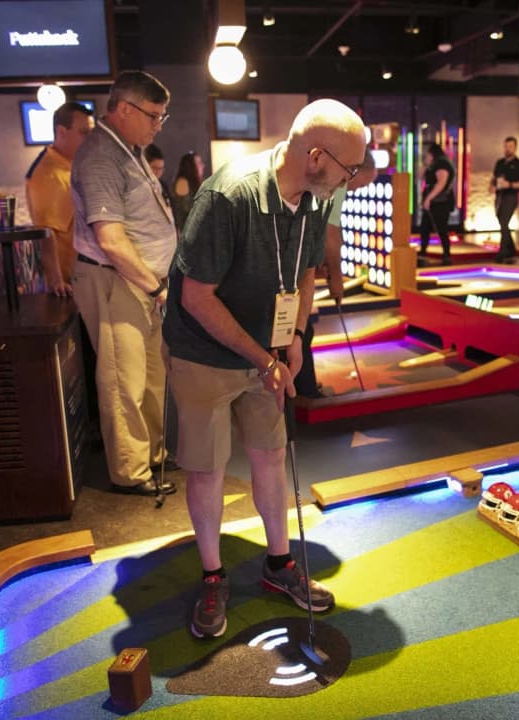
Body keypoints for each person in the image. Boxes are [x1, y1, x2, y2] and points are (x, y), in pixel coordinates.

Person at [163, 98, 366, 639]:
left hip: (267, 351)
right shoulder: (228, 196)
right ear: (316, 156)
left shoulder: (318, 196)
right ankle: (212, 575)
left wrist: (295, 337)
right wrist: (261, 356)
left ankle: (279, 566)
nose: (352, 179)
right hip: (202, 349)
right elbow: (197, 298)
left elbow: (304, 273)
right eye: (349, 169)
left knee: (270, 455)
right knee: (206, 468)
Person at [70, 70, 177, 496]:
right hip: (117, 281)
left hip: (141, 280)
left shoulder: (130, 149)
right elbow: (111, 240)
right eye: (154, 116)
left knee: (151, 375)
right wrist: (155, 287)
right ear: (125, 109)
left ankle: (152, 455)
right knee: (123, 379)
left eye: (162, 118)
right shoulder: (101, 155)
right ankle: (131, 472)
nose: (157, 126)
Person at [295, 148, 378, 398]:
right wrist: (337, 280)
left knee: (300, 328)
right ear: (354, 171)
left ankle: (302, 387)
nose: (360, 189)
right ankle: (304, 392)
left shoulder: (325, 179)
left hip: (298, 260)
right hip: (296, 266)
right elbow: (332, 237)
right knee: (300, 329)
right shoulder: (338, 186)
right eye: (365, 182)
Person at [25, 101, 95, 296]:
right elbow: (47, 231)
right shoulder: (50, 174)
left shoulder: (69, 164)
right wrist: (57, 281)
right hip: (70, 284)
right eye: (84, 133)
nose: (90, 140)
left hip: (85, 276)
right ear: (61, 131)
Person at [489, 136, 519, 263]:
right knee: (502, 222)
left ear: (515, 148)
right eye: (506, 146)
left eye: (510, 146)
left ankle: (503, 251)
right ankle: (511, 250)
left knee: (504, 221)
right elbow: (494, 178)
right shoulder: (500, 163)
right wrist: (492, 186)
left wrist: (510, 185)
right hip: (500, 195)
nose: (507, 149)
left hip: (511, 196)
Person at [417, 143, 455, 265]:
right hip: (432, 200)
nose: (426, 156)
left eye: (427, 154)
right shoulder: (432, 165)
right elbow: (419, 177)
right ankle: (423, 251)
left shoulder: (442, 163)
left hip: (440, 202)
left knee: (441, 228)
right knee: (425, 227)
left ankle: (446, 254)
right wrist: (425, 165)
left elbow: (441, 183)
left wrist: (429, 198)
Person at [170, 151, 205, 237]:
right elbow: (188, 209)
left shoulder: (193, 183)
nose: (203, 166)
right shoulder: (183, 182)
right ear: (191, 167)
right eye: (199, 163)